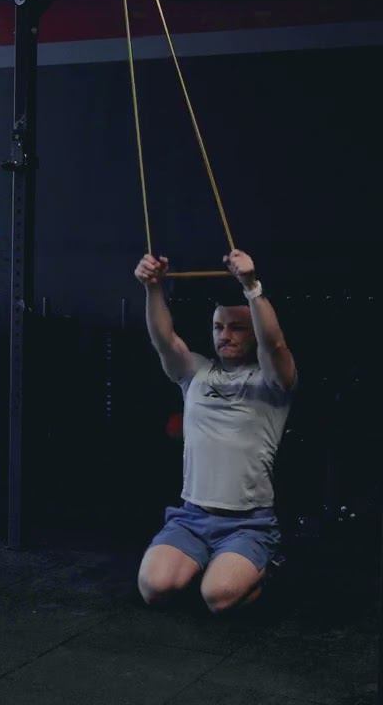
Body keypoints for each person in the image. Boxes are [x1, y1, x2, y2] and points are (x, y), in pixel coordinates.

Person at [133, 249, 297, 614]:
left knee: (218, 597)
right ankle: (212, 563)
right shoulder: (196, 372)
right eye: (218, 327)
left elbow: (275, 345)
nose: (225, 335)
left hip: (248, 523)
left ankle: (262, 566)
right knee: (154, 588)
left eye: (237, 328)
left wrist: (251, 286)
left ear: (253, 332)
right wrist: (153, 288)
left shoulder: (273, 381)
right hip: (192, 516)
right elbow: (164, 340)